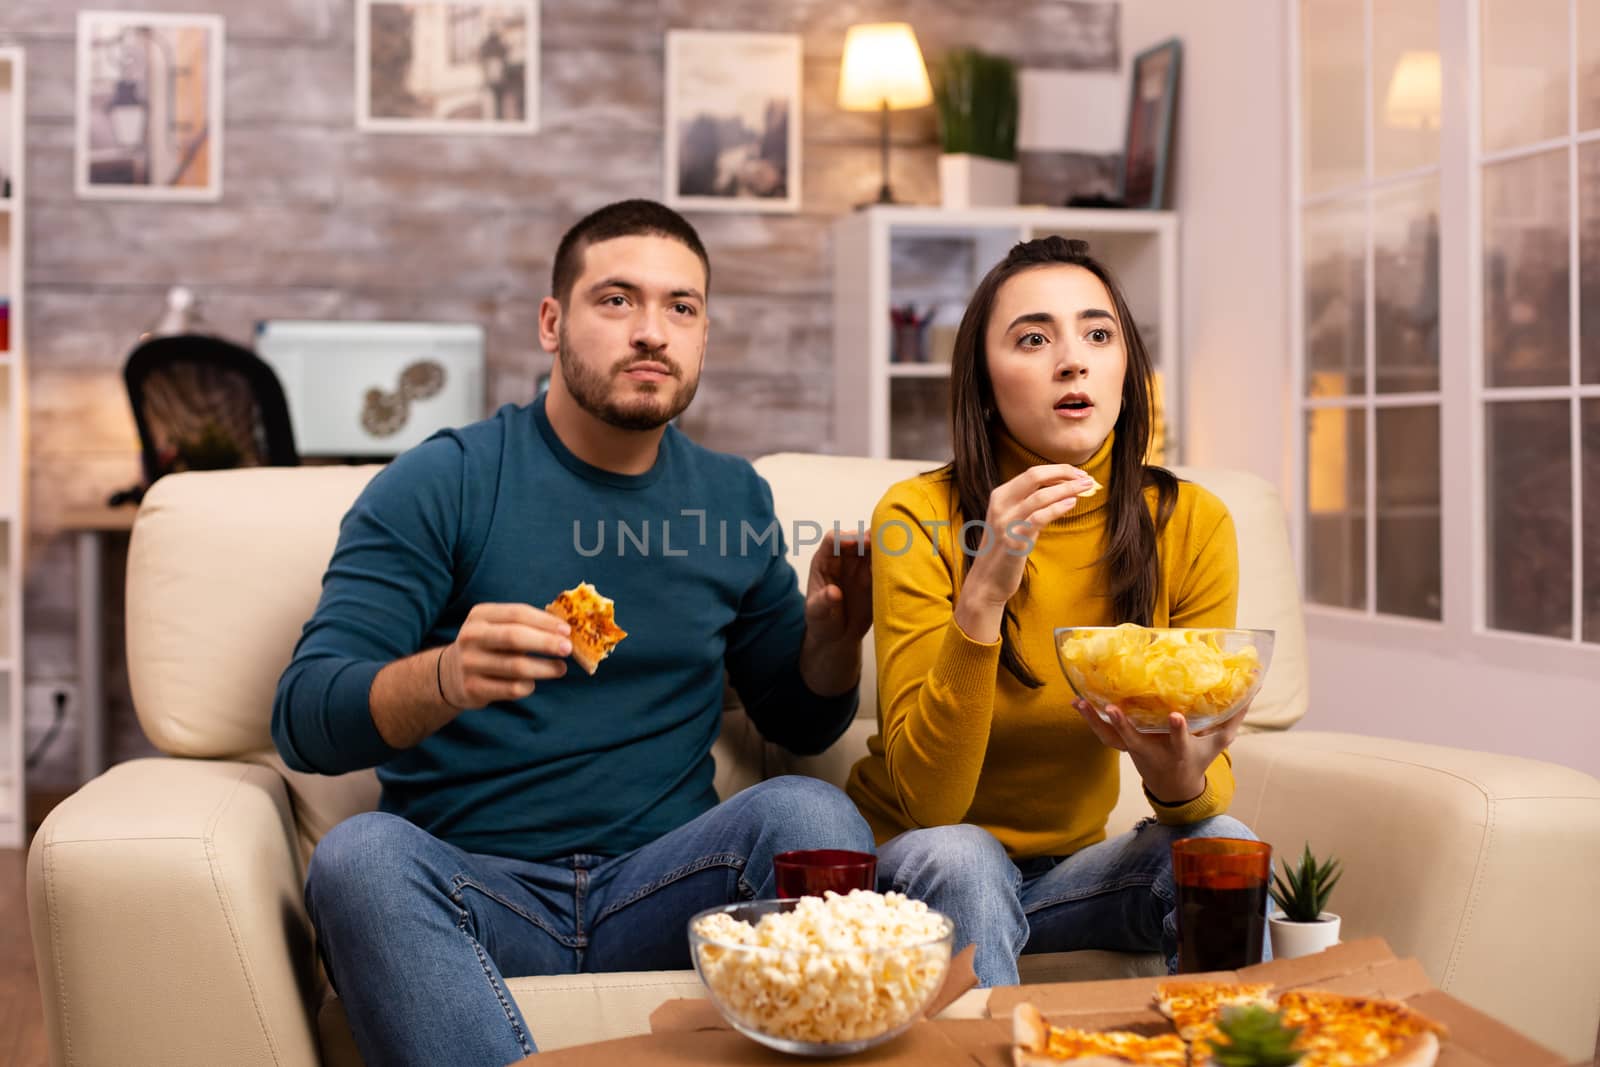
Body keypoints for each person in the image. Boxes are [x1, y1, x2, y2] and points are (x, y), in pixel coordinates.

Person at [272, 199, 875, 1066]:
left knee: (813, 812)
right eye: (617, 300)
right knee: (359, 857)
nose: (652, 332)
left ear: (705, 335)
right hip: (477, 887)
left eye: (682, 307)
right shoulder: (445, 481)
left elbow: (801, 720)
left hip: (668, 888)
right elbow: (303, 716)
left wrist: (830, 635)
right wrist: (445, 676)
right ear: (553, 323)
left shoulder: (730, 499)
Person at [844, 235, 1265, 988]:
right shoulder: (915, 516)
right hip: (919, 865)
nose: (1072, 360)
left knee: (1222, 842)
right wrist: (985, 589)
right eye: (1033, 338)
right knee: (963, 854)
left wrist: (1176, 777)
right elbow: (931, 803)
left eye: (1098, 334)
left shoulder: (1191, 522)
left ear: (1127, 370)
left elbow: (1204, 792)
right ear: (982, 381)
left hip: (1072, 876)